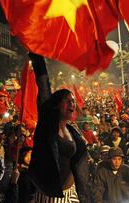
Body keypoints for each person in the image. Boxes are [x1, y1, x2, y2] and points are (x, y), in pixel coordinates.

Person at [28, 53, 90, 202]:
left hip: (72, 193)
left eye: (73, 101)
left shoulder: (72, 130)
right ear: (56, 104)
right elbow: (43, 87)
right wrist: (37, 57)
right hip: (50, 196)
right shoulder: (47, 126)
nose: (72, 104)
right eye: (67, 101)